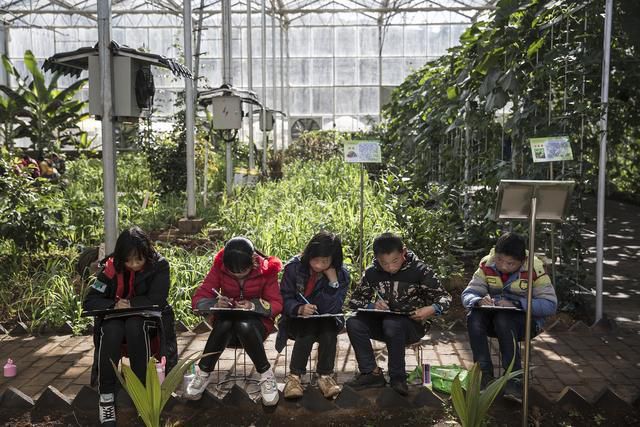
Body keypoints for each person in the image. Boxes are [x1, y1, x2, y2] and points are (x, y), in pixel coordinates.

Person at [84, 226, 174, 426]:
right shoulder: (110, 268)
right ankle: (106, 397)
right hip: (116, 319)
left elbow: (158, 298)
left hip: (147, 322)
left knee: (135, 326)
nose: (133, 265)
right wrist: (113, 304)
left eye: (138, 260)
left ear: (147, 255)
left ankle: (143, 394)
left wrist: (132, 303)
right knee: (111, 329)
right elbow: (90, 301)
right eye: (128, 260)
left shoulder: (159, 266)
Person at [346, 232, 451, 396]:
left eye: (395, 261)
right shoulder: (372, 273)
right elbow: (353, 301)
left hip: (413, 325)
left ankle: (398, 378)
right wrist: (372, 305)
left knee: (392, 324)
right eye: (384, 263)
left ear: (404, 252)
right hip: (382, 323)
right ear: (376, 258)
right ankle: (371, 373)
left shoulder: (420, 271)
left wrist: (432, 309)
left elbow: (445, 298)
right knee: (353, 322)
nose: (390, 267)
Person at [185, 237, 283, 406]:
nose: (238, 276)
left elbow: (277, 303)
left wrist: (253, 305)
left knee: (243, 324)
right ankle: (202, 374)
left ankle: (266, 375)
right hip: (226, 328)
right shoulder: (219, 266)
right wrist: (214, 303)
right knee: (224, 323)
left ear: (252, 261)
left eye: (243, 272)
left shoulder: (267, 270)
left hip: (255, 328)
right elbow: (199, 298)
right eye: (233, 274)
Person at [461, 232, 557, 403]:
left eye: (510, 263)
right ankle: (483, 374)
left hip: (526, 323)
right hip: (494, 317)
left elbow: (550, 304)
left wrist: (517, 304)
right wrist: (478, 300)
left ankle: (514, 378)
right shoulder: (486, 264)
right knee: (473, 317)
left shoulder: (535, 268)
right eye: (499, 260)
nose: (503, 266)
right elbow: (469, 294)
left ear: (522, 261)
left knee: (503, 319)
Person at [276, 231, 349, 400]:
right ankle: (294, 378)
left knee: (329, 329)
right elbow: (284, 299)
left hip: (325, 321)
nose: (317, 265)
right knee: (307, 327)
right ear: (309, 254)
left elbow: (333, 308)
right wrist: (299, 308)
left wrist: (332, 283)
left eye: (324, 262)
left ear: (334, 260)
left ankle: (325, 377)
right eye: (315, 259)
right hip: (296, 321)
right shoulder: (294, 268)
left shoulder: (341, 275)